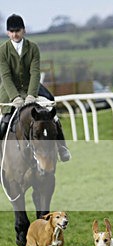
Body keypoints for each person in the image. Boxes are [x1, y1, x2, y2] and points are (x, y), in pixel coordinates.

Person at [0, 14, 71, 160]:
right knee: (4, 118)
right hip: (10, 89)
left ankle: (62, 147)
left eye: (17, 30)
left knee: (50, 105)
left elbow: (35, 72)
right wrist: (15, 97)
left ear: (24, 30)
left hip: (31, 86)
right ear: (8, 32)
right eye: (12, 31)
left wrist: (31, 95)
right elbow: (6, 76)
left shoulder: (33, 48)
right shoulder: (2, 51)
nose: (15, 34)